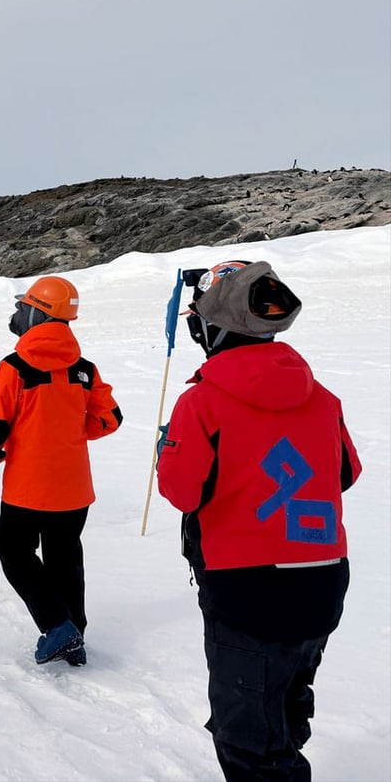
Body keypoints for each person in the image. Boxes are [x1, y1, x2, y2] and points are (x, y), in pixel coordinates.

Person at [157, 260, 361, 782]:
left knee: (247, 738)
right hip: (322, 580)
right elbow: (345, 473)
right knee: (288, 701)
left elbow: (183, 492)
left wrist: (171, 452)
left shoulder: (202, 401)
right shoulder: (322, 396)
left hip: (245, 588)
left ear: (213, 328)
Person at [0, 276, 122, 665]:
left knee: (12, 550)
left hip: (29, 489)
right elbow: (110, 419)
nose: (16, 314)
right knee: (64, 558)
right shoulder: (85, 370)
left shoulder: (14, 367)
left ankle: (59, 627)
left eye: (21, 307)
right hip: (75, 491)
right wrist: (70, 433)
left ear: (35, 313)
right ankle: (74, 634)